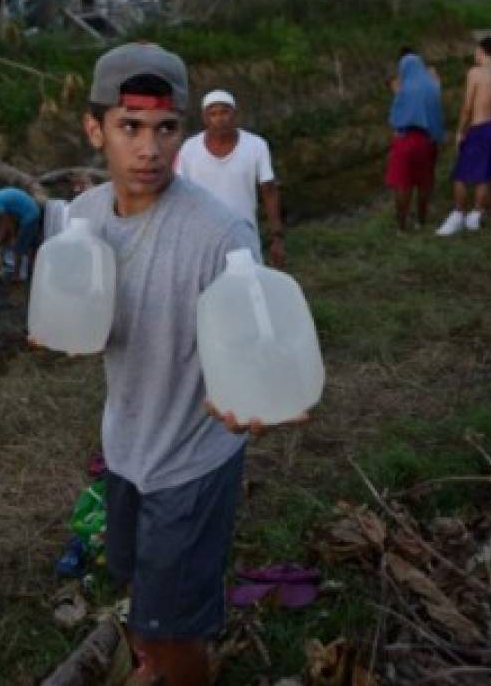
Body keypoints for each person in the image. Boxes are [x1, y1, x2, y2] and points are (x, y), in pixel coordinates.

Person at [68, 42, 304, 686]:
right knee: (135, 580)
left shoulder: (221, 233)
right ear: (96, 130)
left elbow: (260, 341)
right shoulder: (84, 217)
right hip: (124, 446)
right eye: (130, 127)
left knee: (177, 631)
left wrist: (258, 396)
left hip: (192, 459)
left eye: (166, 128)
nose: (149, 148)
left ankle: (174, 668)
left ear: (185, 133)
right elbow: (86, 317)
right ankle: (150, 661)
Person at [175, 89, 286, 267]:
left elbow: (269, 191)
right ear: (204, 118)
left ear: (235, 115)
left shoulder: (256, 145)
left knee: (249, 287)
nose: (220, 119)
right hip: (201, 239)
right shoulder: (189, 149)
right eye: (213, 114)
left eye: (225, 112)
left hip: (243, 235)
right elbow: (178, 195)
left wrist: (277, 237)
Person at [436, 38, 491, 236]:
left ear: (482, 51)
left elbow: (467, 107)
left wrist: (460, 132)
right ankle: (475, 214)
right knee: (483, 175)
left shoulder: (475, 73)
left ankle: (458, 214)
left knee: (461, 174)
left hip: (478, 126)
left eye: (476, 50)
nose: (474, 54)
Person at [385, 50, 444, 232]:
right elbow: (436, 115)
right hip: (427, 140)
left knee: (403, 184)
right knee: (424, 182)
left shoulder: (402, 87)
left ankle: (401, 227)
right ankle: (421, 221)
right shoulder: (432, 86)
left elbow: (394, 118)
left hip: (404, 139)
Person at [0, 186, 41, 283]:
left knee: (18, 248)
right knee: (30, 245)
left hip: (29, 216)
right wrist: (6, 236)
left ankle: (16, 276)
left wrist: (2, 240)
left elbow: (6, 223)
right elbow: (7, 221)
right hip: (33, 210)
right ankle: (32, 272)